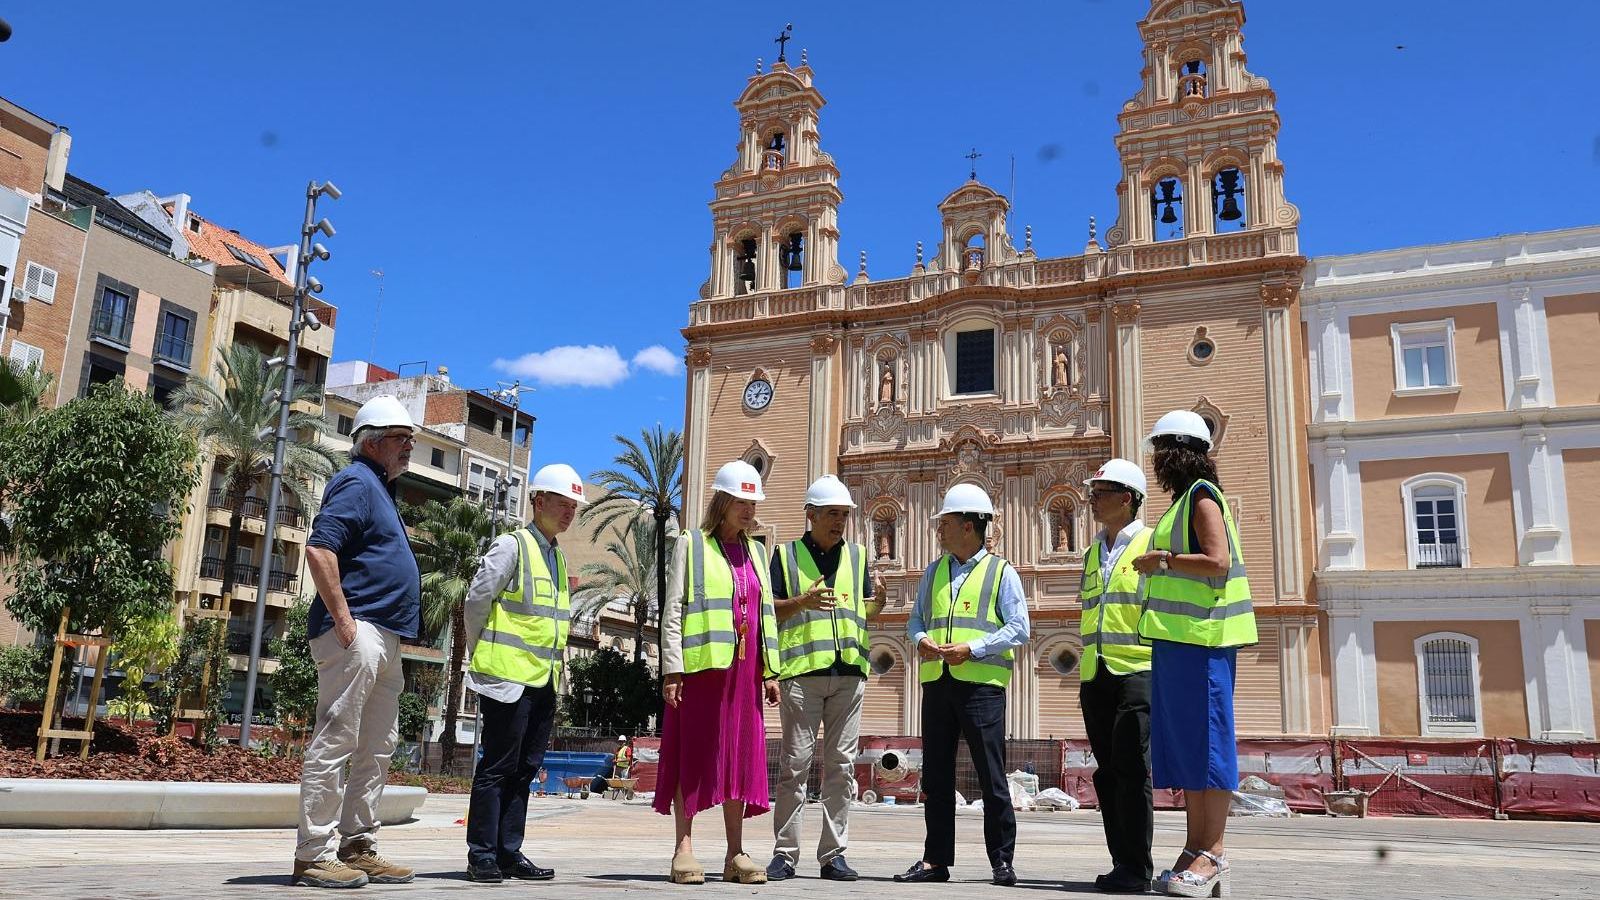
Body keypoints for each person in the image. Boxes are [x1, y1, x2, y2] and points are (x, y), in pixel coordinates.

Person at [294, 395, 421, 889]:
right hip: (359, 632)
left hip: (385, 637)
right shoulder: (356, 482)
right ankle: (314, 854)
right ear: (371, 443)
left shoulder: (380, 489)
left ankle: (357, 847)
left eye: (410, 439)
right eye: (401, 438)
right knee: (337, 740)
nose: (409, 446)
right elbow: (320, 549)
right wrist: (345, 624)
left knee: (377, 747)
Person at [1131, 411, 1255, 898]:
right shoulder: (1182, 502)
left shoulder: (1202, 498)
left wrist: (1160, 561)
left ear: (1178, 452)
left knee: (1209, 747)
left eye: (1161, 451)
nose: (1157, 460)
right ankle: (1193, 848)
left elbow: (1217, 560)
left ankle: (1215, 852)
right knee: (1188, 750)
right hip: (1179, 643)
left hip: (1205, 643)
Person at [895, 483, 1030, 888]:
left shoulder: (1002, 572)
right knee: (936, 778)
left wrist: (973, 648)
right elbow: (916, 620)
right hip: (938, 684)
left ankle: (1002, 861)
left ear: (969, 527)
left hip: (982, 687)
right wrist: (921, 639)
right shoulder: (933, 571)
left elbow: (1020, 628)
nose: (939, 530)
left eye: (946, 523)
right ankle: (935, 860)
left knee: (991, 776)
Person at [460, 463, 587, 883]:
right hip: (507, 679)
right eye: (563, 503)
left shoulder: (557, 557)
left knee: (525, 769)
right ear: (538, 500)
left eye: (574, 506)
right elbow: (476, 601)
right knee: (497, 767)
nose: (569, 512)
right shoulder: (511, 546)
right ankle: (482, 855)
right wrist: (479, 647)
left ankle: (508, 852)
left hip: (544, 680)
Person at [657, 460, 782, 885]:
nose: (749, 510)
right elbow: (674, 609)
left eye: (754, 503)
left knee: (740, 759)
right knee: (694, 753)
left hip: (745, 673)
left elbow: (765, 614)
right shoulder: (691, 544)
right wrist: (672, 669)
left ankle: (735, 853)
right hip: (701, 669)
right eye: (742, 502)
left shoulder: (758, 552)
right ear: (722, 501)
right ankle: (683, 849)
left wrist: (771, 671)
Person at [765, 475, 883, 883]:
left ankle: (833, 855)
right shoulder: (785, 556)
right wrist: (802, 601)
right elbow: (769, 611)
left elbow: (862, 612)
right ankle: (785, 854)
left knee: (841, 767)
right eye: (832, 513)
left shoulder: (859, 556)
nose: (839, 521)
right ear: (811, 515)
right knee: (794, 767)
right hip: (802, 675)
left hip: (849, 674)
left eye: (844, 515)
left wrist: (879, 604)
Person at [1078, 459, 1156, 894]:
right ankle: (1120, 862)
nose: (1092, 500)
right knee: (1107, 772)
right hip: (1097, 673)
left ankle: (1137, 867)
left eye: (1101, 493)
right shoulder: (1093, 552)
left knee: (1131, 768)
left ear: (1126, 498)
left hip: (1137, 669)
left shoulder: (1150, 542)